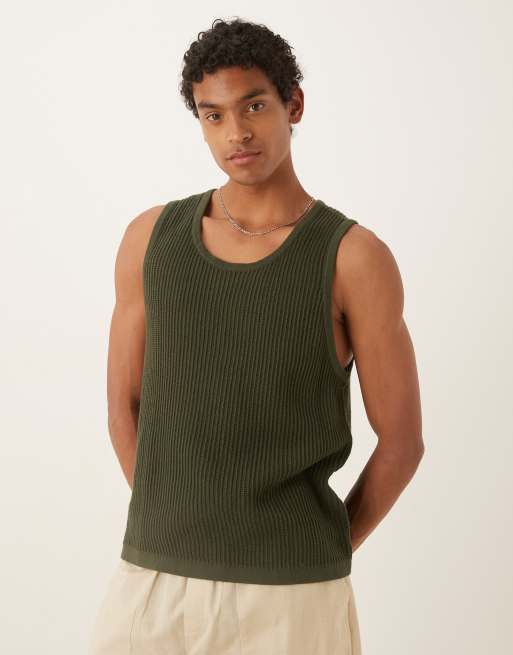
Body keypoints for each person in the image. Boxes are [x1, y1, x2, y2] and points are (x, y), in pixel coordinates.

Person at [89, 17, 424, 655]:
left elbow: (403, 442)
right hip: (154, 584)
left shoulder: (353, 258)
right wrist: (178, 522)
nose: (236, 133)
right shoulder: (150, 240)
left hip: (292, 598)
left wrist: (321, 547)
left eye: (254, 106)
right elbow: (123, 407)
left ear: (293, 104)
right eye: (212, 115)